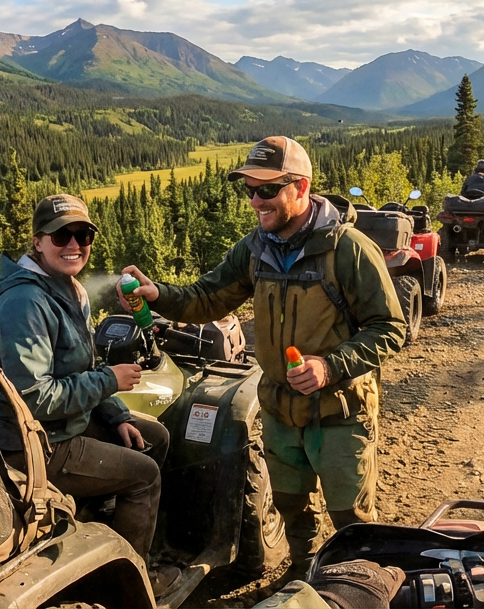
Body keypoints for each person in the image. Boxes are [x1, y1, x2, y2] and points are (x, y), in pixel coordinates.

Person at [118, 136, 405, 574]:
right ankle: (302, 573)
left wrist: (330, 367)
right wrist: (159, 295)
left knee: (352, 522)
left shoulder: (347, 250)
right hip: (279, 410)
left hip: (340, 411)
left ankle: (357, 586)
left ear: (301, 188)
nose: (255, 201)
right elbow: (207, 298)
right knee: (292, 509)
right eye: (249, 189)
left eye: (267, 189)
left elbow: (391, 328)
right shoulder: (256, 249)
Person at [0, 194, 177, 590]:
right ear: (38, 241)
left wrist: (116, 414)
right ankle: (131, 582)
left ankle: (103, 524)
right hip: (33, 444)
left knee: (153, 437)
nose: (74, 245)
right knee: (145, 475)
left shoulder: (67, 289)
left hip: (63, 426)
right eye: (61, 235)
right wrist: (109, 381)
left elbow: (79, 369)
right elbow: (34, 397)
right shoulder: (25, 302)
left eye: (83, 235)